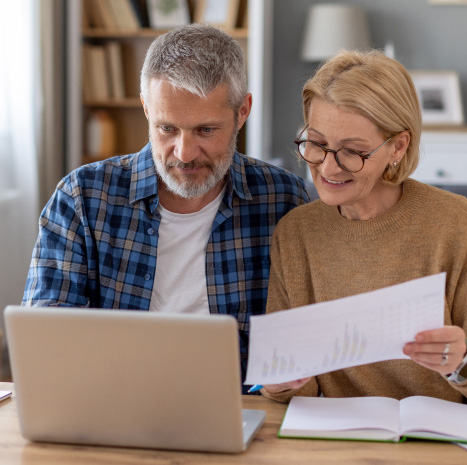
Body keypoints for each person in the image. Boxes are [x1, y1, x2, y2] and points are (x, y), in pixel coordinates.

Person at [22, 24, 309, 390]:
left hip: (241, 408)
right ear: (146, 109)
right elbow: (46, 337)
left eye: (206, 130)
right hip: (111, 403)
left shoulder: (284, 199)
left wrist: (281, 380)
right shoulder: (82, 198)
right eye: (167, 129)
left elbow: (298, 337)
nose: (184, 153)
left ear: (242, 112)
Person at [261, 50, 467, 405]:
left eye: (352, 151)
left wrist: (463, 361)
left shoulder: (455, 223)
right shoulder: (296, 232)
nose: (328, 169)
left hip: (436, 440)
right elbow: (295, 385)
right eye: (316, 144)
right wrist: (282, 382)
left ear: (398, 147)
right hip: (332, 439)